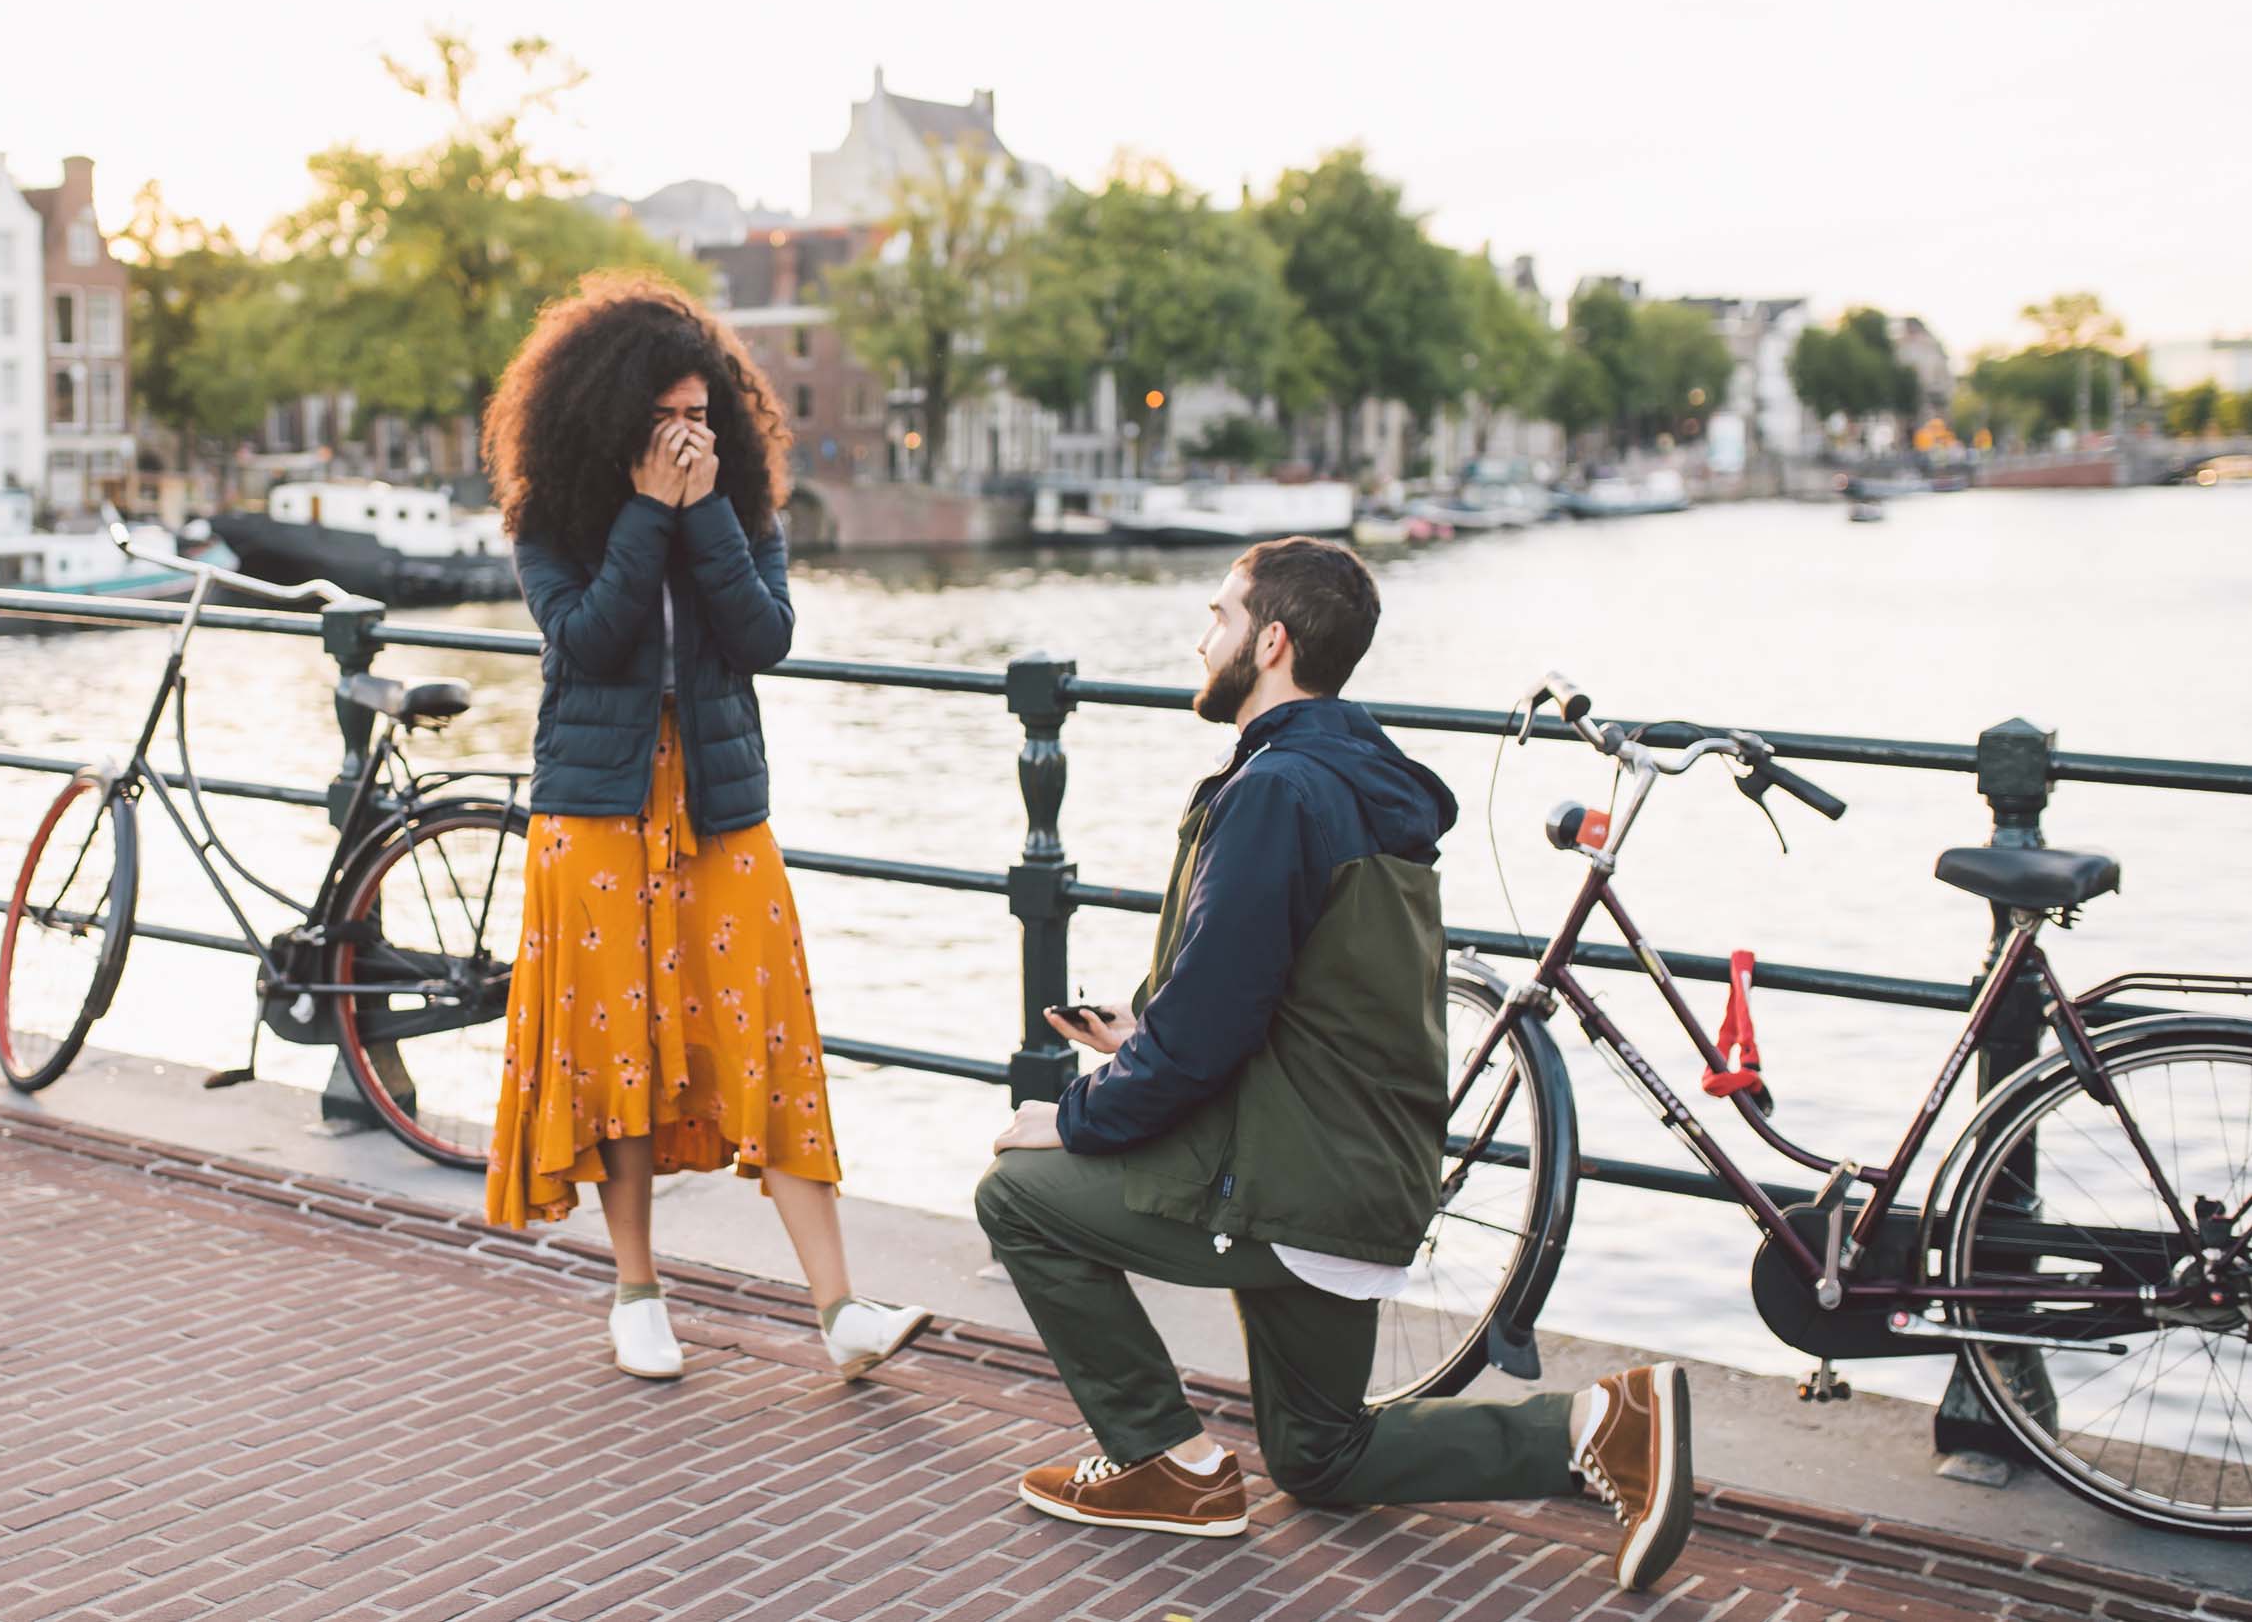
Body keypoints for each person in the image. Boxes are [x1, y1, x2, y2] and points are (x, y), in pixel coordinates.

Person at [974, 537, 1695, 1592]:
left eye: (1218, 614)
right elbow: (1285, 987)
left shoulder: (1273, 792)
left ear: (1268, 641)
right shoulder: (1354, 774)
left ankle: (1161, 1460)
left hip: (1292, 1180)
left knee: (1017, 1190)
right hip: (1358, 1169)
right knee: (1319, 1454)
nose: (1200, 633)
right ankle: (1600, 1422)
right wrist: (1147, 1027)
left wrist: (1078, 1114)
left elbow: (1219, 1024)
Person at [481, 272, 927, 1384]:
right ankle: (636, 1290)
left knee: (768, 1036)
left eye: (699, 415)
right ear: (609, 422)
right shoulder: (555, 522)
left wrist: (710, 520)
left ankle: (839, 1308)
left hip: (718, 807)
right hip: (596, 811)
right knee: (619, 1046)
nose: (685, 435)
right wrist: (644, 516)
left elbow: (764, 634)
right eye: (663, 418)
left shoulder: (748, 512)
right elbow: (586, 639)